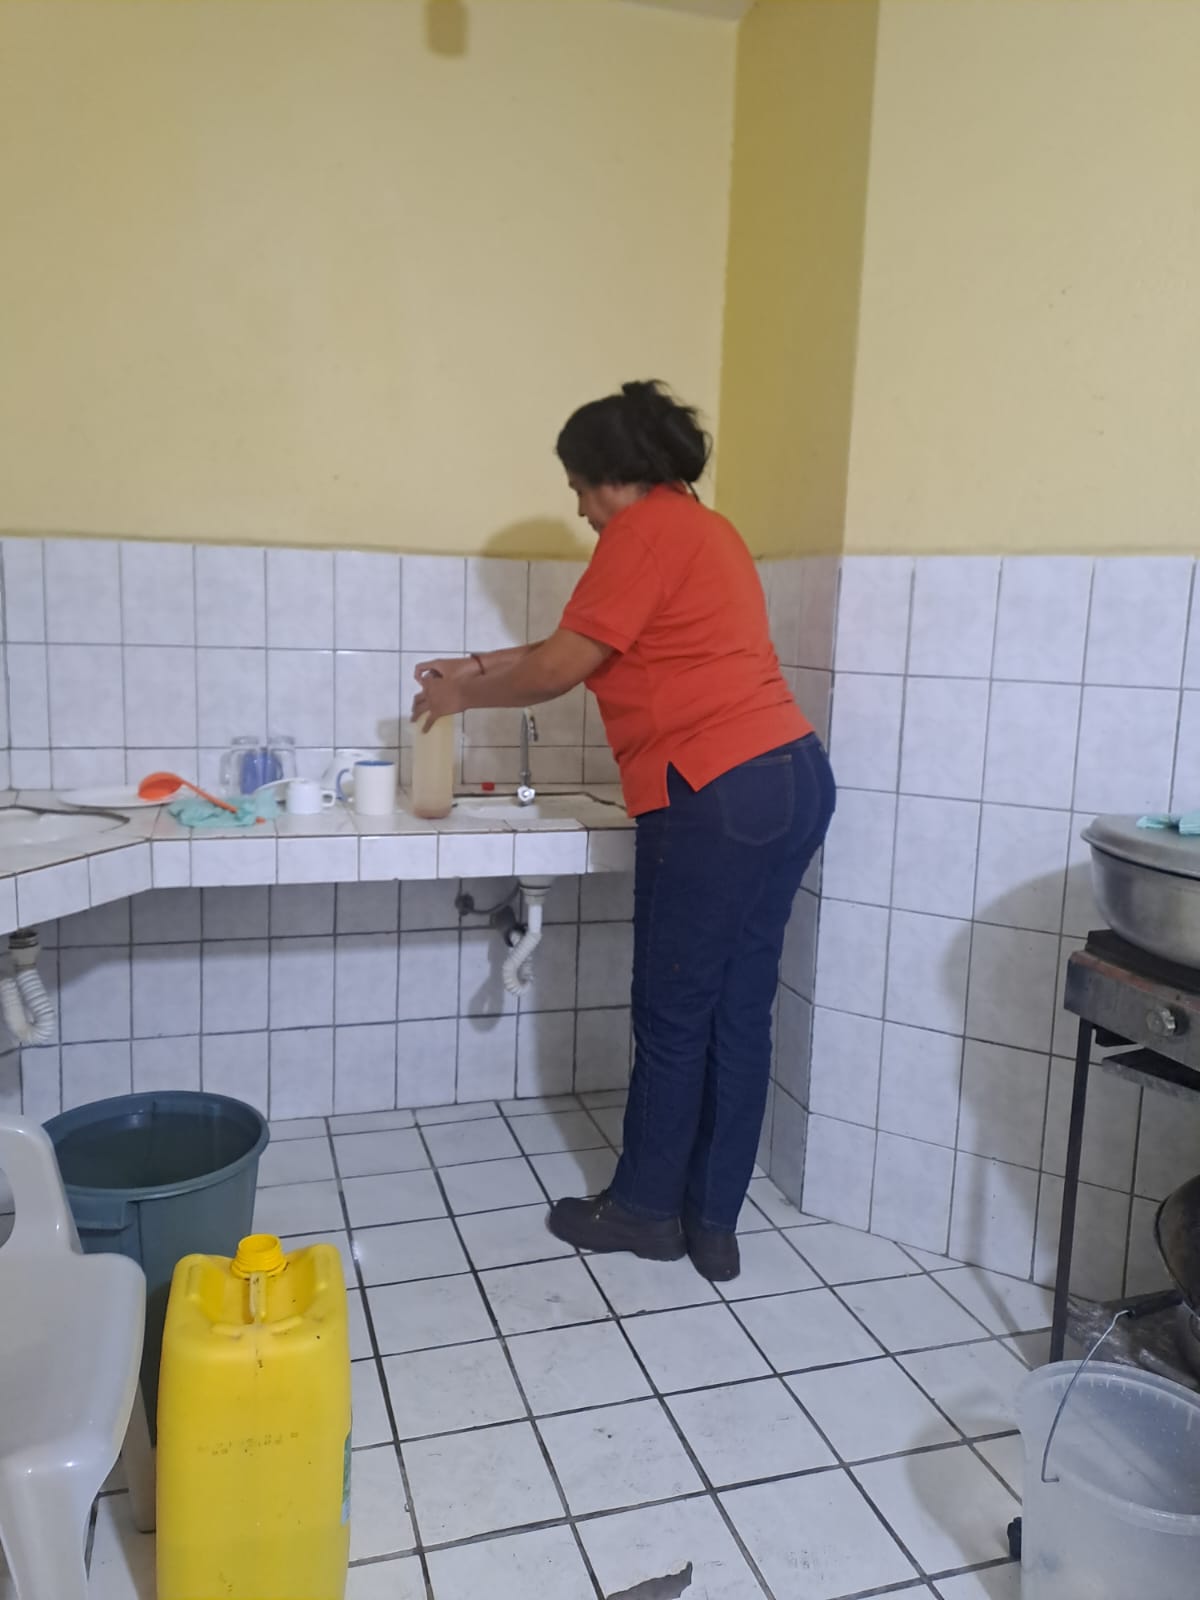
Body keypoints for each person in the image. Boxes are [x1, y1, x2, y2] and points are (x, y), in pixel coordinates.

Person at [412, 380, 836, 1281]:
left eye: (578, 486)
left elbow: (560, 668)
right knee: (738, 1005)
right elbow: (587, 642)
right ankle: (712, 1224)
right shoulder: (704, 530)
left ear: (611, 474)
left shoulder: (641, 532)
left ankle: (645, 1211)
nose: (579, 508)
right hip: (790, 777)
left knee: (674, 1008)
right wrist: (477, 665)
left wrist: (461, 697)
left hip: (716, 790)